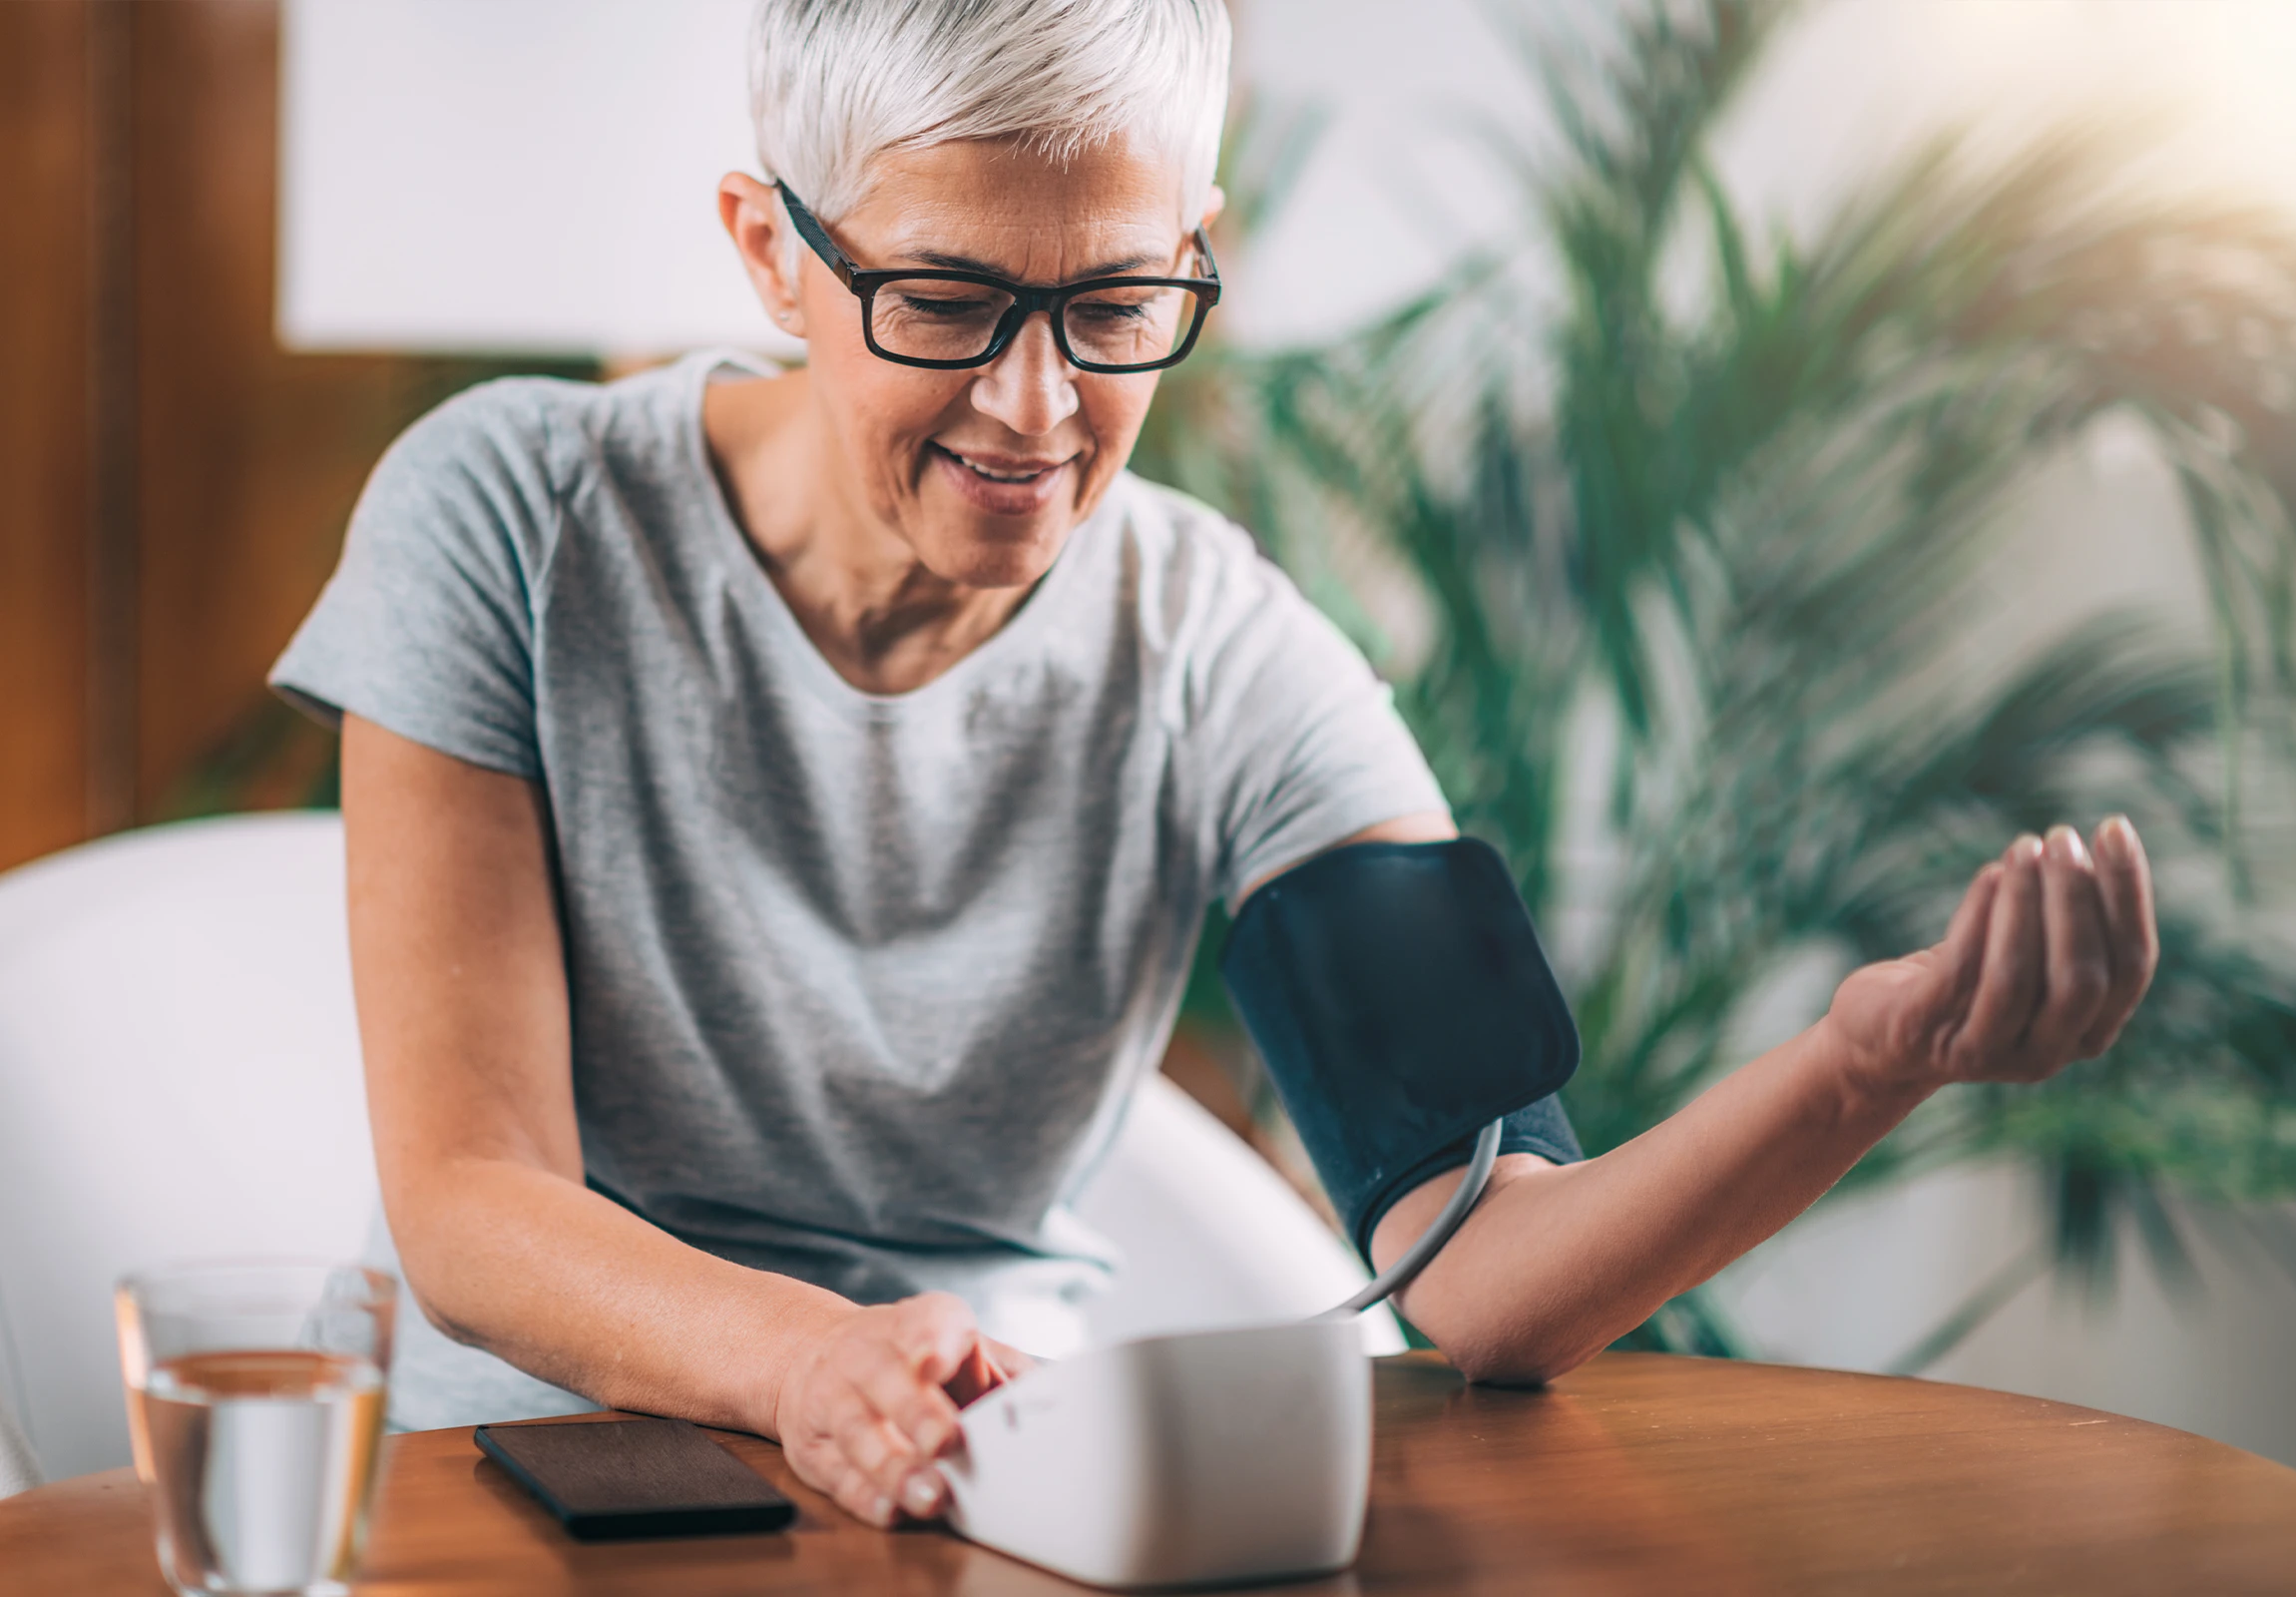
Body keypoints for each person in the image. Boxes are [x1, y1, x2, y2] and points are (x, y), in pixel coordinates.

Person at [271, 0, 2157, 1534]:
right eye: (944, 304)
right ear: (772, 251)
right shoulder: (509, 516)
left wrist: (1861, 1063)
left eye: (1113, 309)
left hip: (987, 1505)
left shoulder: (1226, 654)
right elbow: (475, 1199)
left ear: (1199, 256)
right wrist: (800, 1364)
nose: (1039, 410)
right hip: (512, 1486)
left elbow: (1479, 1263)